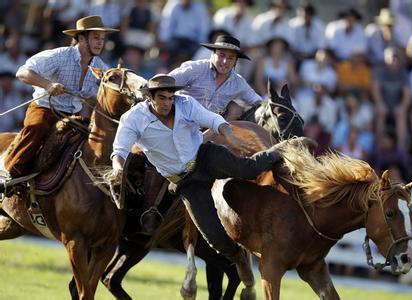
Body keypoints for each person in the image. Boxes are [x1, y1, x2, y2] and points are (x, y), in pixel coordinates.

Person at [110, 73, 294, 289]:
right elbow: (119, 150)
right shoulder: (133, 118)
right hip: (186, 182)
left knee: (247, 168)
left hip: (205, 157)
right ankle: (239, 259)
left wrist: (230, 136)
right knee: (214, 236)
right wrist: (118, 168)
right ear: (150, 97)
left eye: (170, 97)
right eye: (162, 98)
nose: (168, 102)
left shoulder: (185, 103)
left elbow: (213, 120)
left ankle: (281, 149)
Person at [1, 15, 117, 188]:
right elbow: (22, 72)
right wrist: (47, 85)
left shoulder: (101, 67)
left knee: (91, 142)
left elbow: (111, 89)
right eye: (95, 38)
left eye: (102, 38)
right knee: (37, 127)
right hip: (45, 108)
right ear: (81, 38)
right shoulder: (60, 56)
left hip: (73, 117)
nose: (100, 43)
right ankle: (10, 174)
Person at [169, 34, 262, 121]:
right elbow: (165, 83)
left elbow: (259, 102)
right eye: (221, 55)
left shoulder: (238, 82)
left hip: (209, 131)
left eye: (231, 58)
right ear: (212, 54)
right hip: (180, 122)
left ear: (235, 61)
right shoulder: (195, 69)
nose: (225, 61)